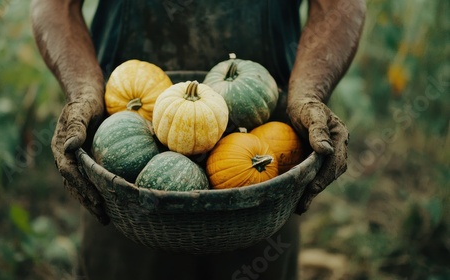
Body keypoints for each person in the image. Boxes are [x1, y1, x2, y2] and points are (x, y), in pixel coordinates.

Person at [30, 0, 365, 279]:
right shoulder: (123, 137)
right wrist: (84, 91)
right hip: (122, 168)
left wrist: (308, 92)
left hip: (268, 171)